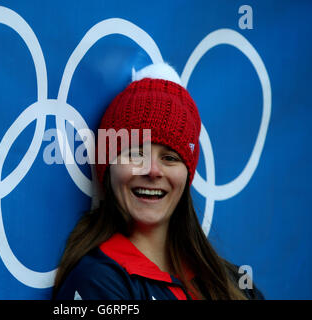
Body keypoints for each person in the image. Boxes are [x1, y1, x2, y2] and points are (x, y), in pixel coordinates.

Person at [52, 62, 264, 300]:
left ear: (187, 174)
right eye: (135, 153)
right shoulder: (95, 282)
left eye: (170, 157)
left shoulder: (234, 283)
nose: (153, 170)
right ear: (108, 167)